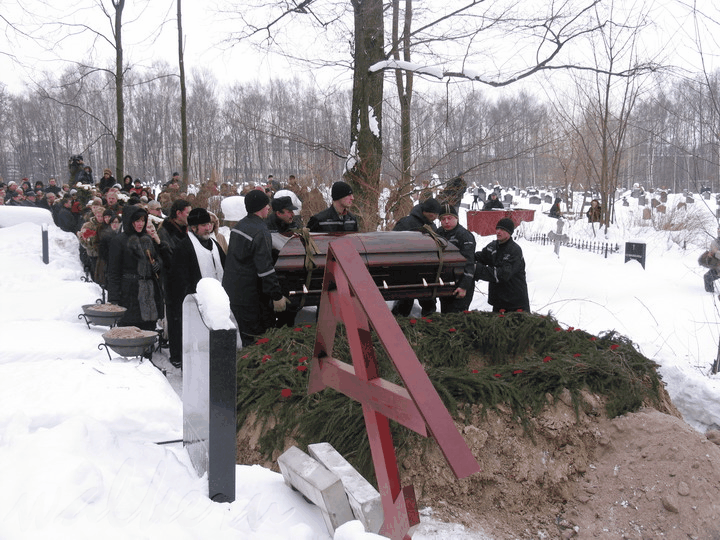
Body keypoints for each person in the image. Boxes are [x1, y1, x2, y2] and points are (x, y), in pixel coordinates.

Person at [222, 190, 288, 347]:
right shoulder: (260, 230)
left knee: (246, 336)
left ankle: (245, 364)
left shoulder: (240, 226)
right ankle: (253, 369)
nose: (269, 209)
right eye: (267, 206)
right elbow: (265, 268)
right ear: (261, 207)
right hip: (251, 296)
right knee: (258, 339)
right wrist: (277, 296)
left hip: (234, 291)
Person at [166, 208, 226, 369]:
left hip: (215, 298)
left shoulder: (213, 244)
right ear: (194, 228)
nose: (208, 228)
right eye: (204, 225)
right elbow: (179, 279)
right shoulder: (184, 247)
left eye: (209, 224)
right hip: (194, 299)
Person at [107, 205, 167, 331]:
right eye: (137, 221)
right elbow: (113, 271)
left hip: (149, 292)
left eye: (143, 220)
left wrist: (156, 265)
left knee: (148, 331)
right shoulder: (119, 241)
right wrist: (114, 299)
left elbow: (162, 260)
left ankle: (148, 350)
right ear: (130, 221)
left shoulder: (148, 239)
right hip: (129, 292)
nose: (141, 224)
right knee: (129, 331)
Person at [391, 197, 443, 317]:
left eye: (437, 214)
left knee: (428, 304)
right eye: (433, 214)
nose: (435, 217)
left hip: (427, 271)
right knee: (405, 302)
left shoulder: (432, 226)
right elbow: (392, 244)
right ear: (425, 212)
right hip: (407, 270)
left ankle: (428, 326)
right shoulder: (406, 223)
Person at [157, 199, 191, 366]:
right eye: (187, 212)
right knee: (175, 319)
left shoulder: (186, 230)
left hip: (185, 281)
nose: (189, 216)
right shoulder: (165, 232)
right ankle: (176, 355)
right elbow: (169, 258)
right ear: (178, 213)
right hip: (172, 282)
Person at [474, 217, 530, 313]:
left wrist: (478, 269)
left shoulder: (514, 250)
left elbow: (503, 274)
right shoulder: (492, 246)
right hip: (498, 301)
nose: (498, 232)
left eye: (503, 229)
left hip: (515, 303)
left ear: (510, 232)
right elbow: (480, 257)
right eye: (497, 229)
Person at [437, 204, 476, 313]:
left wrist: (464, 286)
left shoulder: (464, 236)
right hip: (445, 283)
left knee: (458, 318)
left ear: (456, 218)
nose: (446, 222)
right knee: (446, 315)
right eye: (443, 219)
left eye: (449, 218)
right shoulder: (438, 234)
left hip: (460, 283)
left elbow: (469, 263)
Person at [700, 228, 720, 293]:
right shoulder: (715, 242)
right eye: (718, 229)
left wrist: (716, 252)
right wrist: (708, 256)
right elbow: (711, 254)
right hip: (717, 268)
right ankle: (710, 295)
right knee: (707, 277)